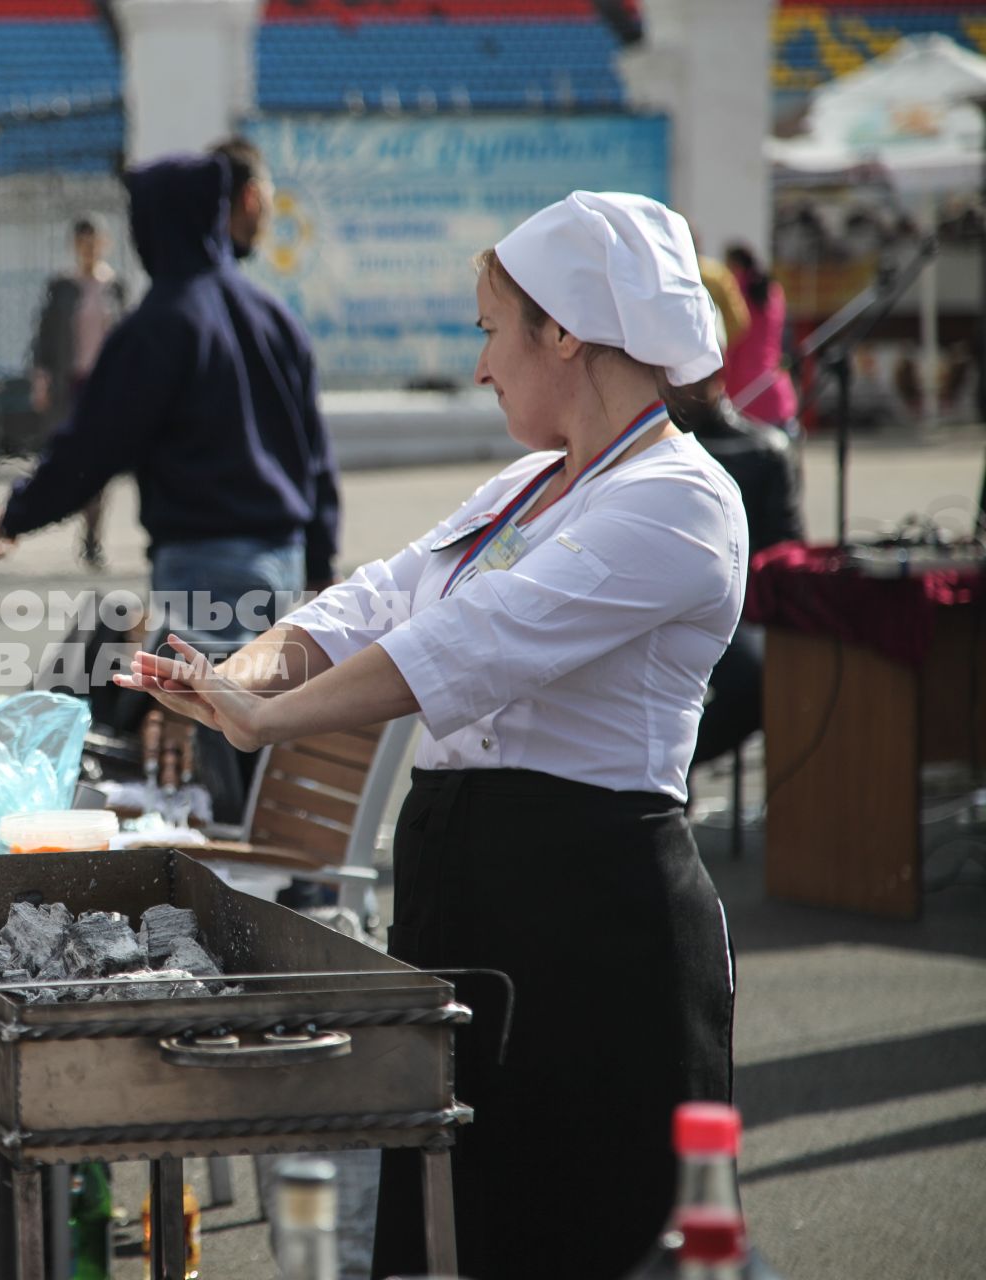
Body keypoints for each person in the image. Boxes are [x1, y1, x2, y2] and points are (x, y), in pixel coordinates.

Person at [118, 191, 743, 1280]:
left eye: (493, 330)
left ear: (566, 331)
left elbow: (476, 640)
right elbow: (378, 596)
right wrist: (234, 679)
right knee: (463, 1216)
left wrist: (266, 717)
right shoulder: (527, 483)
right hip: (476, 890)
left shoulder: (681, 499)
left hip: (595, 911)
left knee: (582, 1226)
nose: (484, 365)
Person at [0, 148, 340, 642]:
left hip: (206, 566)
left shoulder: (156, 328)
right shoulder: (275, 318)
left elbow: (95, 444)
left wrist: (21, 513)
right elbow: (315, 457)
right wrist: (321, 563)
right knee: (261, 712)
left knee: (213, 715)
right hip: (285, 559)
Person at [671, 379, 804, 766]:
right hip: (667, 597)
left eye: (690, 378)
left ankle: (677, 761)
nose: (678, 390)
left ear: (716, 375)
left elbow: (787, 546)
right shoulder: (653, 447)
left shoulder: (765, 448)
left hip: (741, 604)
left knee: (755, 679)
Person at [30, 217, 127, 569]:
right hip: (71, 383)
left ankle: (92, 535)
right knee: (75, 458)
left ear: (104, 243)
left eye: (94, 242)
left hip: (107, 387)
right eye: (82, 243)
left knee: (102, 461)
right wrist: (41, 378)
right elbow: (43, 336)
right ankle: (76, 508)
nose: (89, 249)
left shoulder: (115, 286)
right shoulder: (62, 287)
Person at [722, 242, 798, 431]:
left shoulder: (734, 291)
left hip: (744, 395)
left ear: (735, 265)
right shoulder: (773, 292)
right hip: (776, 389)